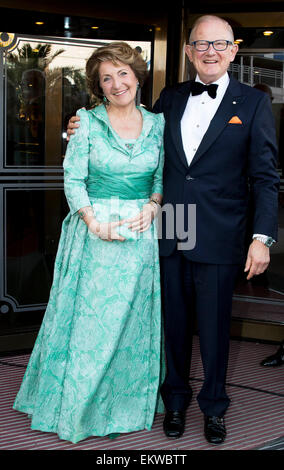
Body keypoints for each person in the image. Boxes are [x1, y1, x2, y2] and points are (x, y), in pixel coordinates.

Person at [67, 16, 280, 445]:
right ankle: (177, 402)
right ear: (188, 52)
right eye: (201, 45)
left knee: (216, 326)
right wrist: (73, 128)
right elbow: (128, 133)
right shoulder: (170, 97)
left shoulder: (253, 103)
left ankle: (214, 408)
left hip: (221, 232)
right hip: (172, 224)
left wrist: (262, 238)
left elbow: (266, 177)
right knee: (176, 324)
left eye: (219, 44)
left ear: (233, 50)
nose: (210, 52)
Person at [13, 42, 165, 443]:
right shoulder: (85, 122)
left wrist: (154, 205)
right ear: (98, 86)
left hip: (141, 236)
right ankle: (81, 409)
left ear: (137, 76)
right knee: (91, 327)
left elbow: (160, 179)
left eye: (123, 74)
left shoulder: (160, 124)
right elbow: (73, 179)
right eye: (106, 78)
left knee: (132, 323)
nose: (117, 84)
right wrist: (95, 223)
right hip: (94, 232)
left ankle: (126, 405)